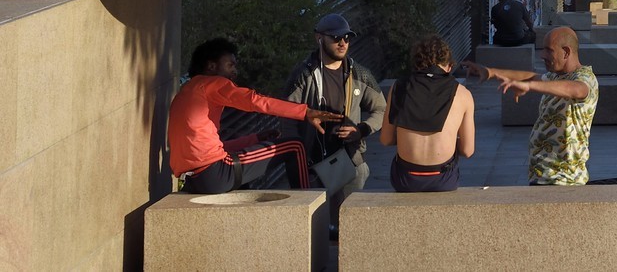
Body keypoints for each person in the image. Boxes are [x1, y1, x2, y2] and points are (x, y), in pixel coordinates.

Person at [170, 38, 342, 194]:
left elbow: (212, 148)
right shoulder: (212, 84)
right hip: (216, 173)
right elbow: (254, 101)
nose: (235, 71)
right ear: (212, 66)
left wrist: (256, 138)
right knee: (294, 146)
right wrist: (305, 112)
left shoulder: (185, 92)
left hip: (194, 180)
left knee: (244, 187)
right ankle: (309, 209)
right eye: (230, 65)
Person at [284, 13, 386, 238]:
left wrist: (362, 129)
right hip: (313, 165)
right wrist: (296, 156)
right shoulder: (304, 75)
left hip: (350, 160)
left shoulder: (359, 73)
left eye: (347, 38)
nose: (343, 43)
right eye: (336, 37)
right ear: (319, 39)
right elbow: (287, 115)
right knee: (315, 231)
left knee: (350, 228)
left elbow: (382, 109)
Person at [462, 27, 598, 185]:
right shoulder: (556, 76)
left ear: (566, 52)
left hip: (564, 180)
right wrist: (490, 72)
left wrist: (529, 86)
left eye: (549, 51)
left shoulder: (585, 78)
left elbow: (575, 89)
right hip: (543, 176)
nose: (542, 55)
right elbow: (531, 76)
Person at [379, 34, 475, 192]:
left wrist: (408, 136)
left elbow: (386, 139)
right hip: (444, 179)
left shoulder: (399, 86)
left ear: (416, 64)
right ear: (449, 66)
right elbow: (467, 150)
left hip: (405, 179)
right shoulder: (463, 94)